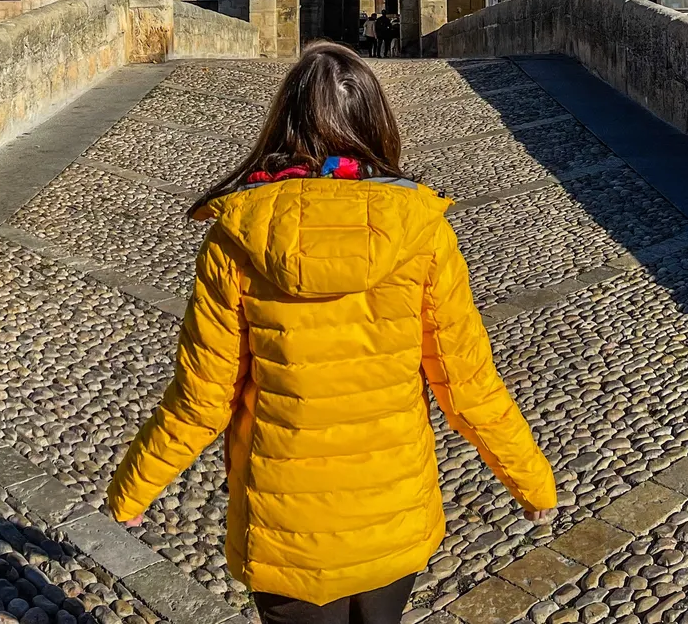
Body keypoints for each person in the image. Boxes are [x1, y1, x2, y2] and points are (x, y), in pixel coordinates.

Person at [107, 42, 556, 623]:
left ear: (284, 123)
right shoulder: (420, 230)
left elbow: (203, 398)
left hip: (285, 526)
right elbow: (467, 385)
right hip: (390, 516)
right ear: (377, 123)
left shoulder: (237, 237)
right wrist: (532, 483)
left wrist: (137, 488)